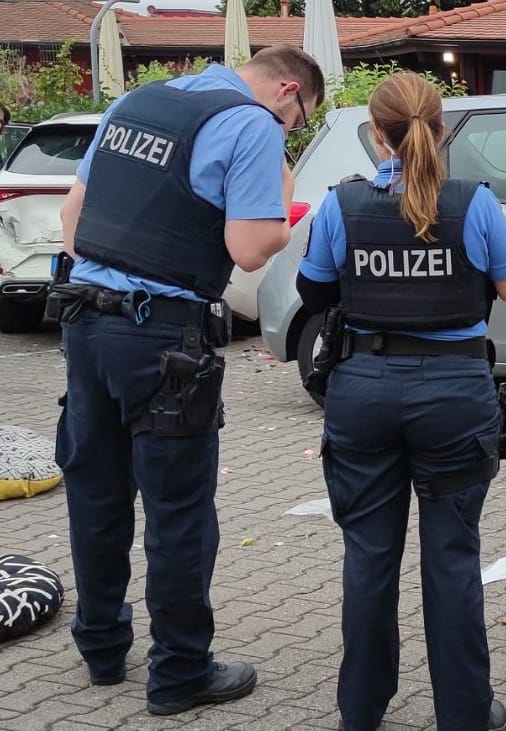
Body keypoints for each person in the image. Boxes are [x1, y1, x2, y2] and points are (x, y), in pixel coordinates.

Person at [53, 45, 324, 716]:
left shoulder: (135, 102)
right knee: (178, 513)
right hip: (163, 341)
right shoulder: (252, 123)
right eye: (298, 121)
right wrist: (290, 208)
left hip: (85, 325)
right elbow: (248, 247)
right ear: (287, 91)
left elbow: (71, 221)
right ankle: (179, 672)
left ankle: (102, 648)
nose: (287, 132)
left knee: (97, 493)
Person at [296, 71, 506, 731]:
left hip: (364, 392)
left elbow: (314, 294)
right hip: (453, 398)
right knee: (453, 558)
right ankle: (464, 714)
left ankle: (361, 712)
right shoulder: (474, 203)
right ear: (441, 130)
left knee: (369, 557)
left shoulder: (341, 207)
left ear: (377, 135)